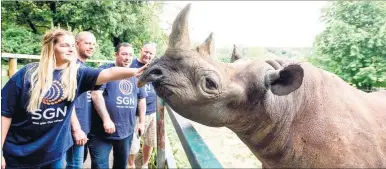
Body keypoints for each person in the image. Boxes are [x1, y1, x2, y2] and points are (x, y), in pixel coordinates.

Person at [1, 28, 148, 169]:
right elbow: (5, 113)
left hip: (54, 154)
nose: (71, 49)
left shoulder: (77, 75)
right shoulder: (27, 74)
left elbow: (109, 72)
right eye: (64, 45)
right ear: (51, 48)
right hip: (20, 153)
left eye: (72, 45)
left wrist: (135, 71)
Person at [88, 43, 147, 169]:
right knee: (99, 165)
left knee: (121, 165)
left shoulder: (136, 74)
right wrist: (106, 120)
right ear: (116, 54)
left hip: (126, 131)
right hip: (101, 131)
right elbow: (96, 94)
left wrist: (142, 122)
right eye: (124, 54)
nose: (128, 57)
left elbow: (141, 99)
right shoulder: (105, 70)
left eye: (130, 54)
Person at [66, 31, 97, 169]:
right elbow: (67, 100)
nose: (91, 47)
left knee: (76, 163)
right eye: (87, 43)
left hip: (82, 126)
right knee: (74, 164)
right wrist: (76, 129)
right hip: (72, 128)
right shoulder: (72, 66)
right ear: (76, 44)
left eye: (93, 44)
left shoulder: (83, 67)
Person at [128, 43, 158, 169]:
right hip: (135, 112)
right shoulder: (131, 65)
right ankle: (131, 165)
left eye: (151, 53)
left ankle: (145, 165)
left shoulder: (155, 67)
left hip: (152, 111)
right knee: (133, 143)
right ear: (141, 50)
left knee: (150, 141)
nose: (148, 55)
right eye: (146, 52)